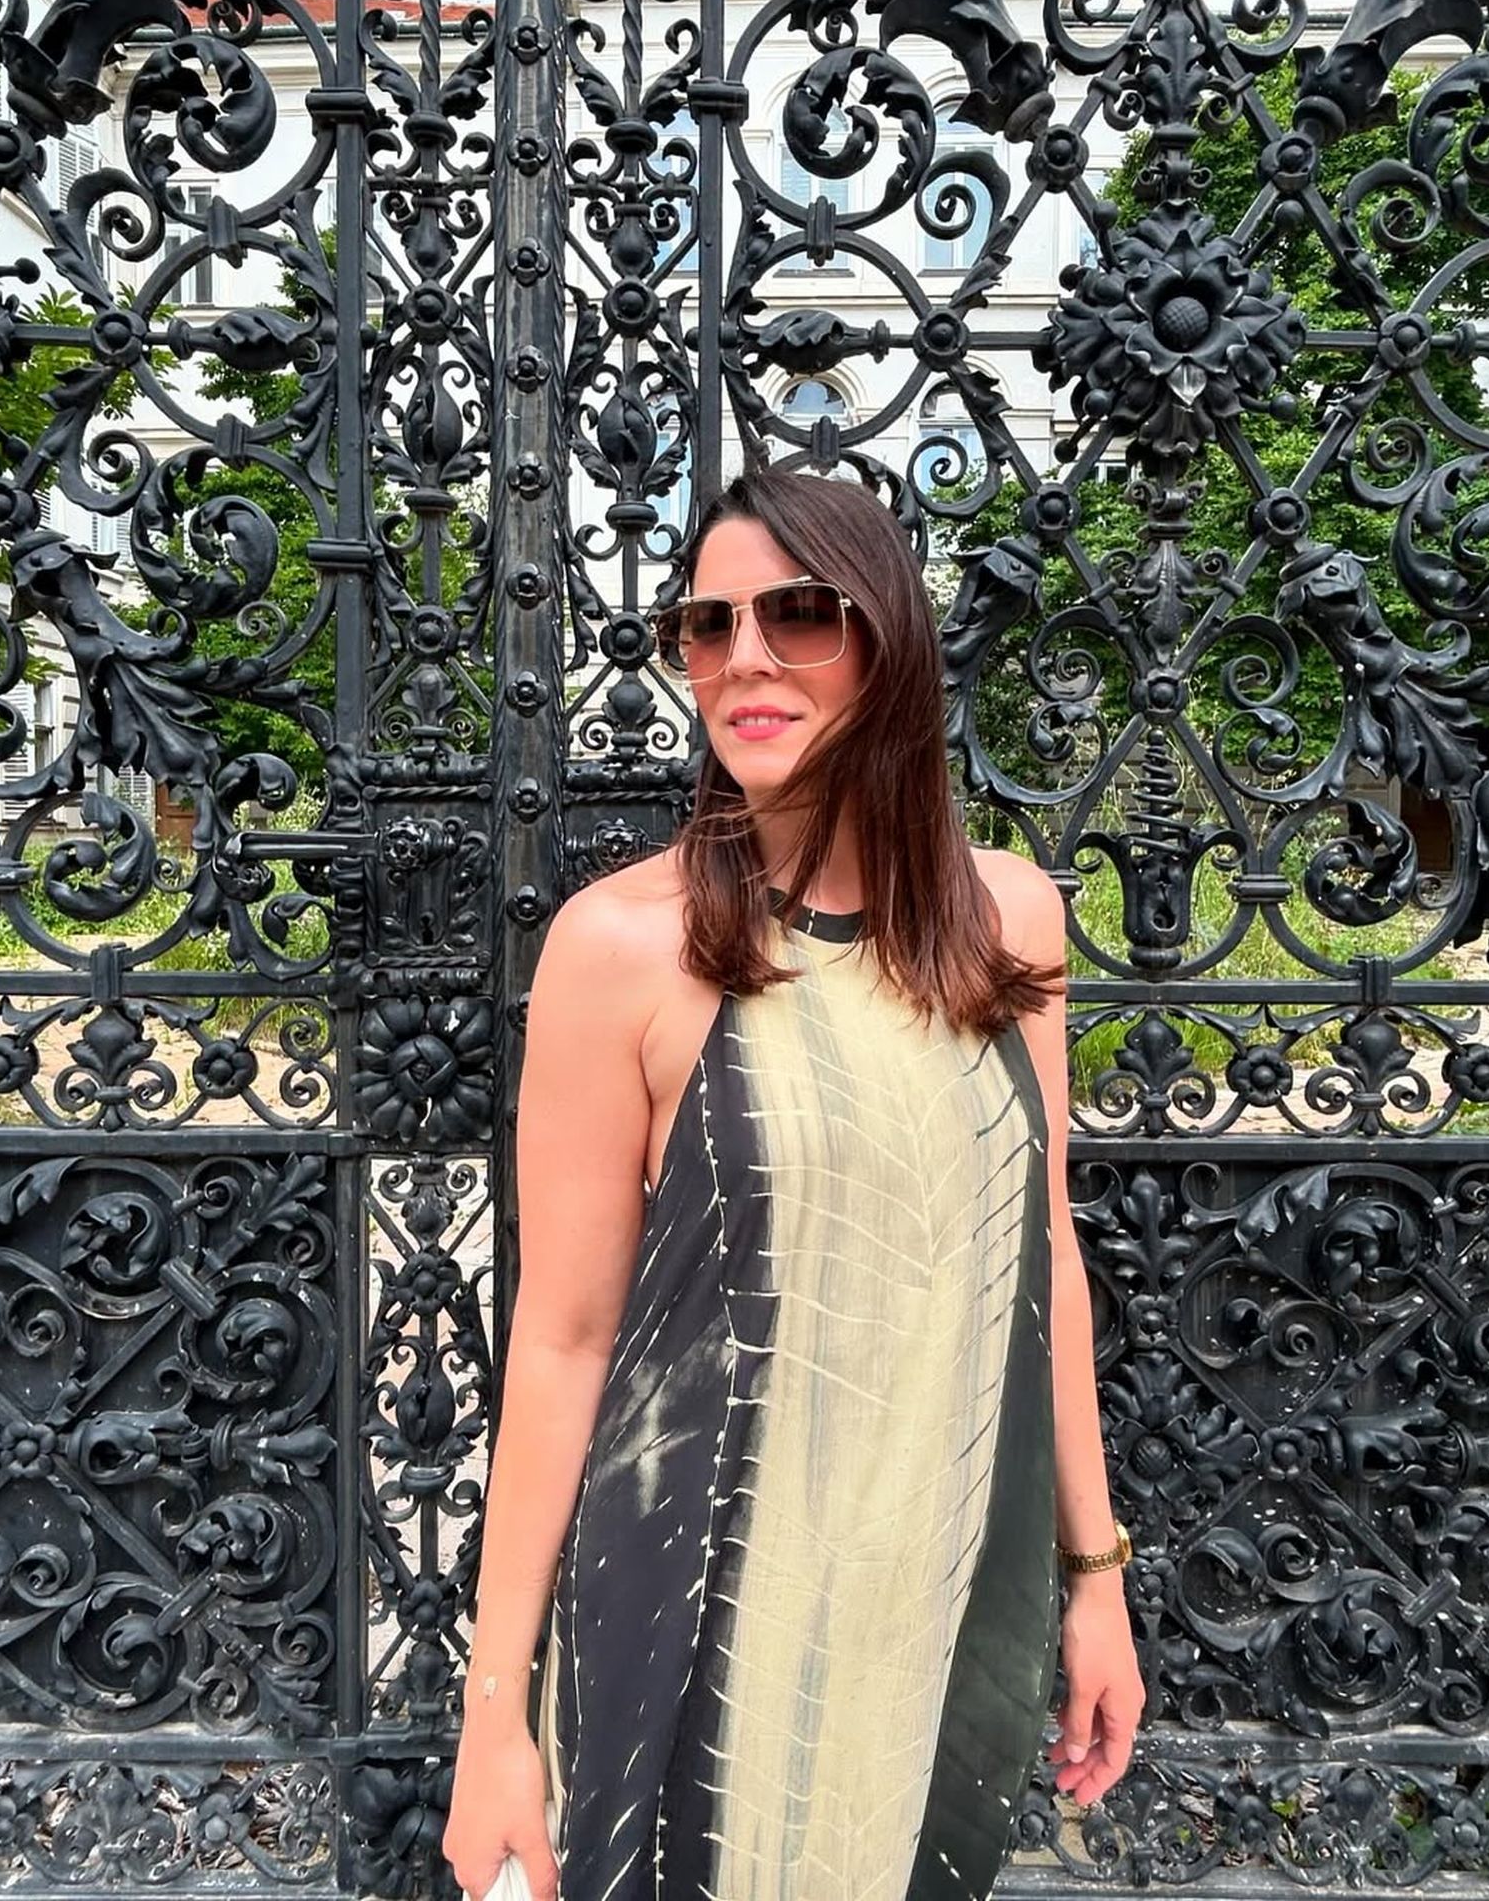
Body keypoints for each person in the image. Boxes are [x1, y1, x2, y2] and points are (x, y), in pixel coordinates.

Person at [442, 468, 1144, 1901]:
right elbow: (565, 1340)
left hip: (925, 1593)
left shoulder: (1008, 923)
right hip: (686, 1615)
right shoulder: (621, 949)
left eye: (800, 614)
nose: (745, 658)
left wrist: (1097, 1577)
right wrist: (494, 1713)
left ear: (887, 640)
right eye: (708, 625)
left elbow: (1045, 1258)